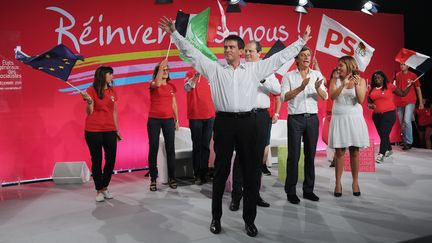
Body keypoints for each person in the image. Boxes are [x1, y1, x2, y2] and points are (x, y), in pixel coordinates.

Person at [158, 16, 310, 237]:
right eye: (225, 47)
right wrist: (174, 34)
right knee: (220, 172)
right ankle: (216, 218)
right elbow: (191, 53)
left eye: (231, 47)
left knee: (251, 172)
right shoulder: (215, 69)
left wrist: (300, 41)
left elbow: (279, 58)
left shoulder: (254, 70)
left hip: (248, 123)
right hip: (224, 124)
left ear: (241, 51)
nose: (227, 50)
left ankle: (249, 221)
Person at [229, 40, 279, 212]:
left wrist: (262, 78)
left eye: (251, 51)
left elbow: (277, 89)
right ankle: (236, 196)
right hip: (243, 117)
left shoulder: (267, 68)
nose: (248, 54)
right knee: (241, 158)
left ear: (259, 52)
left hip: (262, 117)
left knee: (258, 159)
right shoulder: (240, 70)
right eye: (247, 51)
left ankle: (254, 194)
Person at [280, 46, 327, 205]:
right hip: (295, 119)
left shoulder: (317, 75)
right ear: (297, 59)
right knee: (293, 156)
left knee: (310, 155)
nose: (307, 58)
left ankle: (308, 190)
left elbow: (325, 96)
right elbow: (284, 97)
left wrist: (317, 87)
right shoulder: (288, 76)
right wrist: (301, 87)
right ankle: (291, 191)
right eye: (303, 55)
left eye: (308, 55)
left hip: (312, 120)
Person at [329, 56, 369, 197]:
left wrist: (357, 86)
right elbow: (332, 96)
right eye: (338, 65)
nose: (338, 68)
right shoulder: (335, 79)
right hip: (339, 119)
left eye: (341, 66)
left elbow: (361, 100)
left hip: (354, 119)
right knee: (339, 152)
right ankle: (338, 183)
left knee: (354, 152)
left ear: (349, 66)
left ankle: (355, 182)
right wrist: (343, 84)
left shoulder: (361, 80)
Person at [81, 66, 121, 202]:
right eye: (110, 74)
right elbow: (89, 112)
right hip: (93, 131)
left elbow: (114, 111)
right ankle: (99, 189)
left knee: (111, 159)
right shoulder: (90, 90)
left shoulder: (112, 90)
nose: (112, 77)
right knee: (96, 159)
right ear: (103, 75)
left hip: (110, 129)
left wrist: (117, 129)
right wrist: (89, 101)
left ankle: (105, 186)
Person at [367, 70, 413, 163]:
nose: (377, 79)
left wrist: (409, 86)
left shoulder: (390, 86)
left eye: (379, 77)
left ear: (383, 78)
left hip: (389, 114)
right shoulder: (372, 89)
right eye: (375, 78)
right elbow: (369, 102)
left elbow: (402, 93)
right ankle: (389, 149)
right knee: (382, 134)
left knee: (384, 133)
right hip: (376, 116)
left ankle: (381, 154)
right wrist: (370, 105)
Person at [147, 59, 179, 191]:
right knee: (153, 148)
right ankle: (153, 179)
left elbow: (174, 104)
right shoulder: (153, 83)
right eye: (163, 70)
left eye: (167, 70)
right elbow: (158, 83)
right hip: (154, 120)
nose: (166, 71)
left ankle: (172, 177)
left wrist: (176, 119)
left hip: (168, 120)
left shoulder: (171, 86)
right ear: (158, 71)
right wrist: (161, 67)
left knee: (170, 148)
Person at [184, 69, 215, 185]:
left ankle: (204, 171)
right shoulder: (190, 73)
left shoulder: (210, 73)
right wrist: (194, 78)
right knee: (197, 145)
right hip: (195, 115)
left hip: (210, 115)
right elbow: (187, 88)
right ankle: (197, 173)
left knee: (205, 146)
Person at [394, 63, 423, 150]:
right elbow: (394, 88)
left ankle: (409, 142)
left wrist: (421, 102)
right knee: (402, 123)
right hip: (399, 102)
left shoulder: (413, 75)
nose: (401, 66)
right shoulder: (397, 75)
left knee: (407, 120)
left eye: (404, 64)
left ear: (408, 66)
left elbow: (418, 89)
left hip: (410, 101)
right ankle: (405, 142)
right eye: (401, 64)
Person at [262, 92, 281, 175]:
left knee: (265, 142)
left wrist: (276, 114)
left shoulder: (271, 81)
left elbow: (278, 99)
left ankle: (263, 165)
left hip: (267, 115)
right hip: (250, 114)